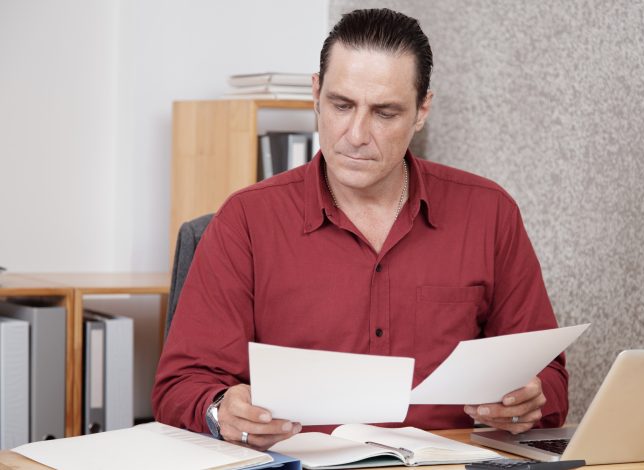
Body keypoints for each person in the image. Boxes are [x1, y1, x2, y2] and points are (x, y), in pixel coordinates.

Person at [153, 8, 567, 451]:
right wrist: (220, 409)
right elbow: (180, 385)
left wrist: (528, 400)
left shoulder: (489, 213)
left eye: (385, 113)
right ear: (316, 93)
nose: (356, 134)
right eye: (341, 105)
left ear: (422, 110)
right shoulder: (246, 221)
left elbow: (550, 381)